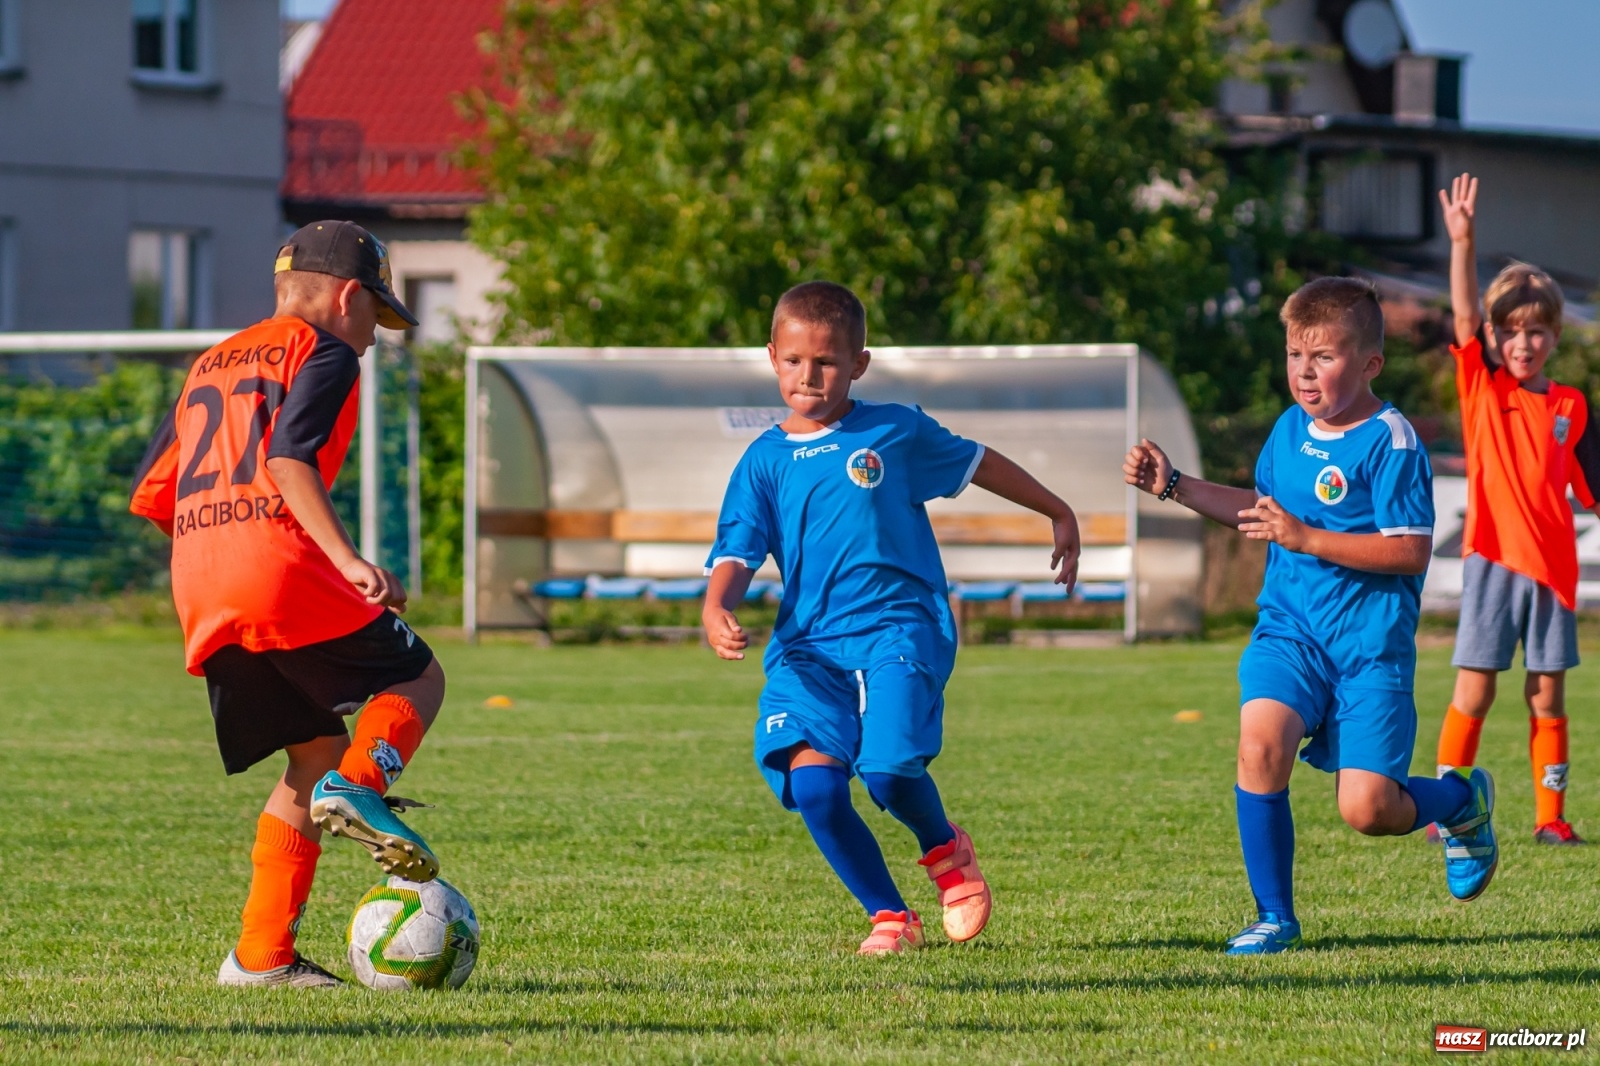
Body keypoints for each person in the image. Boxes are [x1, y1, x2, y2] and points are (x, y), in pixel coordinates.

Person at [701, 281, 1081, 955]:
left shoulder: (894, 432)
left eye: (826, 361)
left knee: (889, 771)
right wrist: (716, 605)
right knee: (814, 787)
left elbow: (976, 462)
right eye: (794, 360)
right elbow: (737, 551)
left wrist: (1056, 509)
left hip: (899, 631)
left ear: (859, 364)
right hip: (810, 650)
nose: (808, 376)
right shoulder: (762, 461)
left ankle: (944, 849)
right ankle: (889, 915)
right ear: (772, 358)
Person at [1123, 277, 1498, 955]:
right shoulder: (1289, 429)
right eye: (1295, 354)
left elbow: (1410, 550)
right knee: (1259, 746)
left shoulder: (1392, 441)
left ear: (1370, 363)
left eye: (1323, 356)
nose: (1304, 370)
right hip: (1290, 634)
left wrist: (1308, 538)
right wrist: (1174, 486)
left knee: (1369, 809)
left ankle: (1460, 802)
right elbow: (1262, 511)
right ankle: (1274, 917)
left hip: (1368, 651)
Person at [130, 221, 447, 987]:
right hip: (277, 566)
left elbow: (154, 494)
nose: (373, 336)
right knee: (419, 678)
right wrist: (349, 561)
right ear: (346, 298)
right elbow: (287, 460)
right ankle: (361, 787)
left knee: (310, 753)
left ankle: (260, 956)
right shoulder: (325, 351)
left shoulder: (209, 362)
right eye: (376, 314)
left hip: (201, 583)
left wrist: (220, 552)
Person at [1431, 173, 1600, 845]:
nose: (1521, 343)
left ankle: (1550, 819)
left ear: (1555, 335)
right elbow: (1463, 318)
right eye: (1509, 331)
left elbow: (1591, 489)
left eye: (1534, 331)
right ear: (1494, 337)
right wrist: (1463, 242)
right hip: (1494, 563)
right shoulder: (1482, 387)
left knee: (1547, 696)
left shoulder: (1573, 407)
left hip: (1555, 572)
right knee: (1475, 690)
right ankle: (1447, 811)